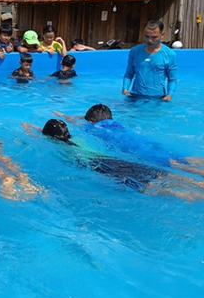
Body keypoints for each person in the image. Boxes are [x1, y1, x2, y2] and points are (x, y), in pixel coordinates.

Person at [27, 119, 204, 201]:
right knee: (161, 175)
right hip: (115, 160)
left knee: (148, 188)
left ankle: (194, 196)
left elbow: (37, 133)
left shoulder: (56, 145)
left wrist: (29, 127)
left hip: (102, 167)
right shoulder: (77, 138)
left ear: (50, 136)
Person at [53, 104, 204, 175]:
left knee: (174, 164)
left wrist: (63, 116)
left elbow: (77, 123)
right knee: (182, 159)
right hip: (144, 142)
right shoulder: (116, 123)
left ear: (91, 122)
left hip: (135, 151)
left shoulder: (92, 128)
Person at [122, 20, 177, 101]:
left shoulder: (169, 54)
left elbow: (172, 79)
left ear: (162, 35)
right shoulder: (135, 51)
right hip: (136, 96)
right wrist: (125, 88)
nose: (150, 40)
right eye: (146, 36)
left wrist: (170, 95)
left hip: (158, 98)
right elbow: (129, 74)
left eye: (154, 37)